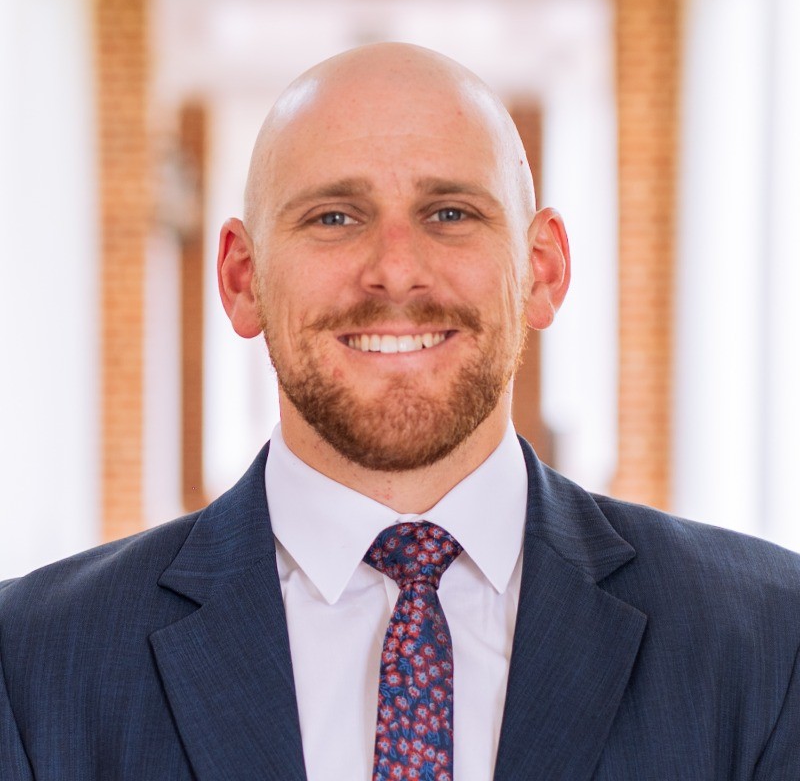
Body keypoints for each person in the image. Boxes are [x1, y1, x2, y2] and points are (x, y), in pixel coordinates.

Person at [1, 43, 799, 781]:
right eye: (333, 217)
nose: (394, 270)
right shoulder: (33, 662)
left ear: (542, 269)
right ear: (243, 279)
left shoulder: (768, 640)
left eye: (450, 212)